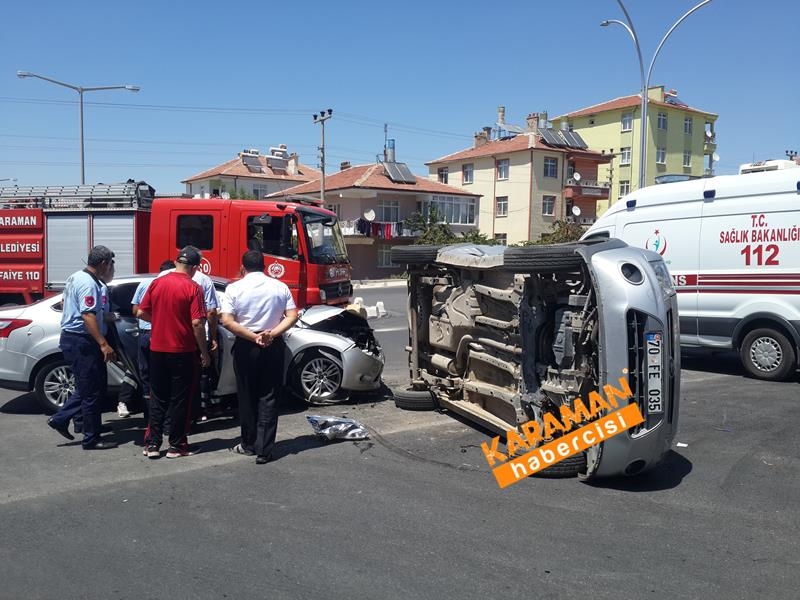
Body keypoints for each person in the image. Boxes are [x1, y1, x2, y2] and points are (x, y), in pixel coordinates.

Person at [220, 250, 298, 464]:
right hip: (273, 344)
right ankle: (264, 449)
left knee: (246, 396)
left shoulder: (234, 288)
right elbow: (293, 315)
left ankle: (248, 443)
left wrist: (253, 337)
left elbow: (227, 321)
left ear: (243, 267)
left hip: (247, 346)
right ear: (264, 266)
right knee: (269, 396)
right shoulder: (279, 286)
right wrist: (270, 334)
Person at [137, 247, 210, 459]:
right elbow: (197, 323)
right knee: (181, 399)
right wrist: (204, 352)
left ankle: (152, 444)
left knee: (157, 397)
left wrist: (160, 322)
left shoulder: (158, 282)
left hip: (157, 349)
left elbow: (142, 311)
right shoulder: (193, 287)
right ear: (195, 268)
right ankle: (176, 445)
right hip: (182, 350)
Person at [47, 245, 118, 450]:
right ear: (103, 263)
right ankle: (90, 438)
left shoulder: (76, 277)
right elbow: (88, 316)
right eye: (110, 264)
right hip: (82, 341)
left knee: (87, 388)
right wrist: (103, 344)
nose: (111, 268)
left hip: (75, 340)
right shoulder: (89, 284)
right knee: (92, 392)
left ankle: (66, 421)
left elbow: (66, 304)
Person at [131, 260, 175, 451]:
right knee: (168, 382)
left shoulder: (145, 284)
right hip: (162, 336)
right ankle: (166, 425)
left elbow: (135, 311)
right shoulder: (172, 285)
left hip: (144, 335)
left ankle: (149, 421)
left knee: (148, 380)